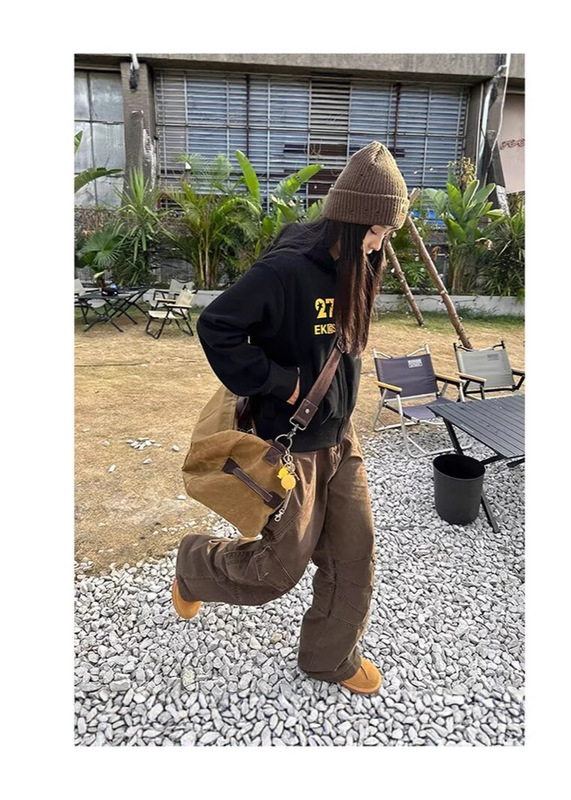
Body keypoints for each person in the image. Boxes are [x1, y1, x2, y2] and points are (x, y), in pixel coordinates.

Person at [172, 141, 409, 695]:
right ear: (351, 219)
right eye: (377, 231)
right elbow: (216, 326)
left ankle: (328, 657)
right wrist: (283, 382)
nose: (381, 244)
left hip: (342, 437)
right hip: (291, 443)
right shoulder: (286, 270)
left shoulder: (358, 263)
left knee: (354, 555)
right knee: (277, 570)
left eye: (387, 233)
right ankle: (195, 565)